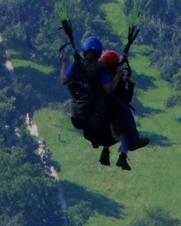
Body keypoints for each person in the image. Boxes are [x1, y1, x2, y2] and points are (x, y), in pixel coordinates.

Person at [60, 36, 148, 169]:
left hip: (77, 113)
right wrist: (118, 76)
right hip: (94, 109)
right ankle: (134, 141)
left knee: (109, 113)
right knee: (124, 109)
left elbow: (64, 80)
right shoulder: (101, 68)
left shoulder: (77, 64)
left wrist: (64, 63)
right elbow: (108, 89)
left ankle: (105, 149)